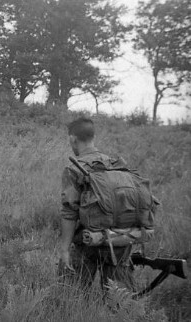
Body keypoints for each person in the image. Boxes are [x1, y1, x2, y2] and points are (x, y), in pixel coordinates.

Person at [58, 117, 135, 291]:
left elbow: (69, 212)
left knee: (71, 297)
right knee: (120, 303)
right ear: (93, 137)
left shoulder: (74, 168)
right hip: (120, 240)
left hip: (87, 242)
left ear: (73, 139)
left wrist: (64, 250)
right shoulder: (116, 164)